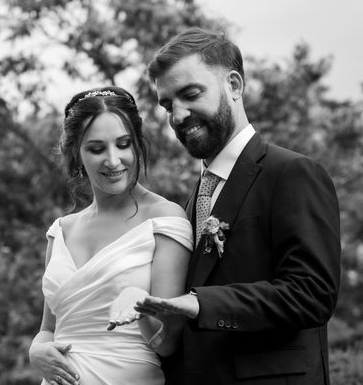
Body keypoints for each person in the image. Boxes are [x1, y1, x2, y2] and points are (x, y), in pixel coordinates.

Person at [135, 28, 341, 385]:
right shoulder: (190, 202)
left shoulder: (291, 174)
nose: (178, 116)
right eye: (168, 105)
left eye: (190, 94)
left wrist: (204, 304)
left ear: (234, 85)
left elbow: (312, 293)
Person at [29, 86, 193, 385]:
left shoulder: (164, 219)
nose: (113, 160)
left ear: (137, 145)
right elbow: (48, 329)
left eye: (123, 144)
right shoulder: (61, 231)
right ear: (76, 153)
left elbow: (167, 343)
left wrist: (139, 302)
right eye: (96, 149)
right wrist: (36, 350)